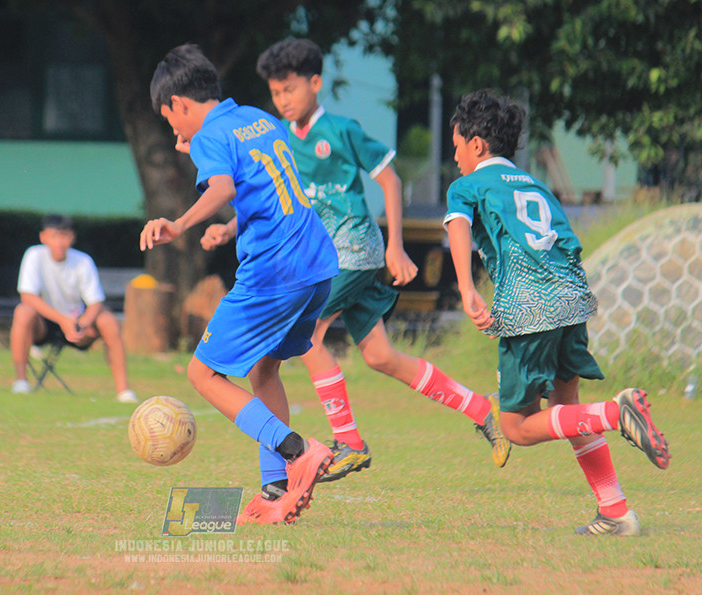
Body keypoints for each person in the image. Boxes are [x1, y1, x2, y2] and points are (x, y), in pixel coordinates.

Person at [205, 37, 508, 482]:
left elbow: (389, 179)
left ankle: (349, 442)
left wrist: (395, 245)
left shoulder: (342, 131)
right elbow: (276, 202)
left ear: (315, 83)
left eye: (290, 89)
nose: (282, 100)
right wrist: (229, 227)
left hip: (351, 251)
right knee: (382, 357)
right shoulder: (279, 139)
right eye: (274, 93)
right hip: (324, 260)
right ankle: (480, 408)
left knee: (308, 336)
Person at [444, 89, 671, 536]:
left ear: (476, 144)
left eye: (455, 148)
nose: (454, 159)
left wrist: (469, 289)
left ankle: (617, 412)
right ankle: (616, 512)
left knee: (517, 427)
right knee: (566, 408)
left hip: (529, 306)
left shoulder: (467, 184)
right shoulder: (534, 184)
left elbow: (456, 224)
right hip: (572, 297)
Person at [141, 43, 339, 525]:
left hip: (275, 271)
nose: (176, 134)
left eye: (171, 122)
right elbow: (268, 187)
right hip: (316, 263)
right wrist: (231, 228)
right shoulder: (256, 119)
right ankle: (277, 491)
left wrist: (180, 224)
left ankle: (298, 450)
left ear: (181, 104)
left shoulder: (209, 135)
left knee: (202, 374)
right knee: (265, 371)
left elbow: (225, 187)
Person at [10, 214, 137, 403]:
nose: (59, 242)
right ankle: (21, 381)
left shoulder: (83, 261)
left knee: (108, 320)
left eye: (64, 236)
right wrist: (62, 320)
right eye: (54, 236)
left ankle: (123, 390)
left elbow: (96, 302)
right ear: (43, 237)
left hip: (77, 324)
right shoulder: (34, 255)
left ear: (72, 237)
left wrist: (82, 322)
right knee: (23, 312)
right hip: (43, 324)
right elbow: (28, 296)